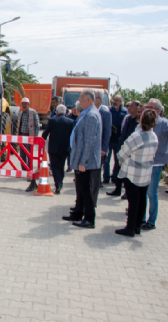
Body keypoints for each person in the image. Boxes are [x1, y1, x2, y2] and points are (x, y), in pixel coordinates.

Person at [141, 99, 168, 231]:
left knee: (151, 192)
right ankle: (141, 218)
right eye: (147, 106)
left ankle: (151, 221)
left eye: (151, 107)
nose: (148, 109)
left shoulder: (164, 123)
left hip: (156, 162)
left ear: (159, 111)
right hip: (145, 161)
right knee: (143, 192)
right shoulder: (145, 122)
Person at [115, 109, 159, 237]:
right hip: (146, 172)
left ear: (141, 119)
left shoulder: (137, 136)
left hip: (133, 172)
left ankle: (130, 227)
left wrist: (120, 159)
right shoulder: (153, 136)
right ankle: (137, 226)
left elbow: (123, 151)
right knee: (142, 199)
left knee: (133, 201)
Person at [64, 89, 102, 229]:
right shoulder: (87, 114)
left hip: (85, 161)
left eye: (81, 97)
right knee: (80, 188)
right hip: (81, 159)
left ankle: (89, 218)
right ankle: (78, 213)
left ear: (88, 100)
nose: (79, 100)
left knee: (85, 189)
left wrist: (82, 162)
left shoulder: (91, 116)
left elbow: (89, 142)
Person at [107, 100, 141, 199]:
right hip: (123, 147)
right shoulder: (128, 118)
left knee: (128, 173)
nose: (129, 108)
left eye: (131, 106)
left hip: (131, 150)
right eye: (129, 106)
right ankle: (117, 189)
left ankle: (127, 192)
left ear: (136, 108)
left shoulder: (137, 122)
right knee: (119, 169)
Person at [42, 104, 74, 194]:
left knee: (54, 167)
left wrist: (42, 139)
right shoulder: (70, 122)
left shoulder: (52, 120)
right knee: (61, 166)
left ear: (56, 112)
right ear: (65, 112)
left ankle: (58, 184)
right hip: (64, 148)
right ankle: (60, 183)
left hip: (53, 148)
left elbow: (45, 133)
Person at [103, 95, 128, 184]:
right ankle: (106, 177)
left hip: (119, 140)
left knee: (117, 160)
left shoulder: (125, 112)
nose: (115, 101)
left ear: (121, 102)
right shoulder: (109, 110)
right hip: (109, 140)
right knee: (106, 160)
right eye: (114, 99)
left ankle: (114, 176)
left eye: (117, 100)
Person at [93, 90, 111, 203]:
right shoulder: (91, 110)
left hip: (100, 148)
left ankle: (94, 198)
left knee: (96, 172)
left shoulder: (105, 112)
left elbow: (107, 131)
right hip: (92, 148)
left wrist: (104, 148)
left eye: (94, 97)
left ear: (100, 99)